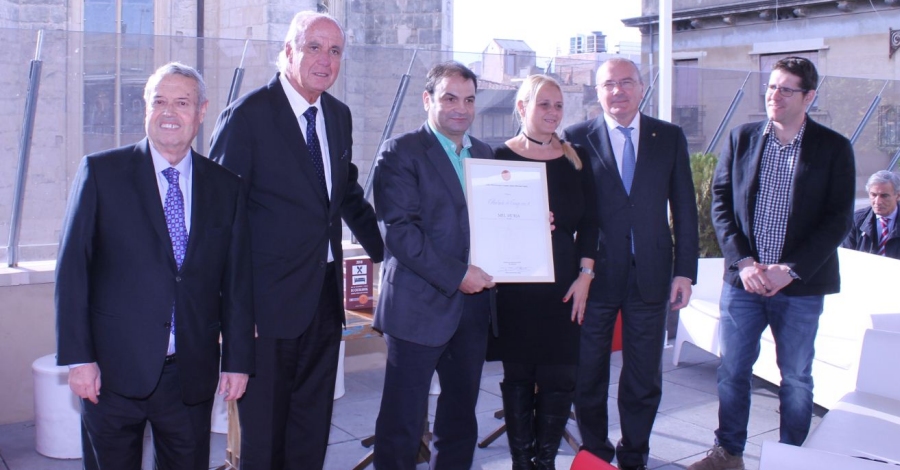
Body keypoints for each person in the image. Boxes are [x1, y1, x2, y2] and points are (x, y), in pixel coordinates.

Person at [208, 11, 384, 470]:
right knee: (265, 440)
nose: (325, 59)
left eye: (335, 50)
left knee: (311, 429)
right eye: (314, 47)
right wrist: (232, 313)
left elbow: (345, 193)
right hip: (264, 309)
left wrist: (393, 252)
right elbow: (218, 219)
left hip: (324, 301)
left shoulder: (338, 116)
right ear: (288, 51)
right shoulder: (247, 116)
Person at [56, 62, 254, 470]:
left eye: (182, 102)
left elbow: (236, 283)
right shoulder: (101, 173)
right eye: (159, 101)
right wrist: (79, 360)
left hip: (189, 377)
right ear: (145, 108)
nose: (169, 112)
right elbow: (73, 273)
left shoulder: (225, 187)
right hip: (111, 375)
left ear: (201, 111)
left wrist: (237, 361)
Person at [689, 56, 855, 470]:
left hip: (799, 287)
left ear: (809, 97)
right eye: (771, 86)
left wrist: (789, 270)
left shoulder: (833, 148)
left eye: (786, 89)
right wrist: (743, 262)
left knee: (795, 378)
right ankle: (728, 454)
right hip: (744, 282)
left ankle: (790, 459)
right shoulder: (742, 138)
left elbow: (838, 219)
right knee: (732, 371)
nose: (774, 95)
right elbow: (721, 204)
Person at [561, 57, 699, 470]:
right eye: (608, 84)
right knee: (588, 373)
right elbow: (568, 206)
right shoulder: (576, 137)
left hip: (651, 276)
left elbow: (685, 208)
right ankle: (595, 454)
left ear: (641, 88)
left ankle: (634, 455)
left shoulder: (668, 136)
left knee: (643, 376)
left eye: (626, 82)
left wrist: (685, 271)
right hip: (594, 275)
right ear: (597, 91)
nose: (617, 91)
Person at [371, 61, 494, 469]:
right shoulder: (400, 151)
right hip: (417, 308)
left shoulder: (485, 154)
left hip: (472, 310)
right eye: (450, 98)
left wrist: (529, 224)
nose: (461, 108)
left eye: (469, 100)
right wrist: (458, 275)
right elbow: (400, 232)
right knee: (402, 422)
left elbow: (493, 220)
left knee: (460, 418)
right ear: (427, 100)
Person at [485, 74, 599, 470]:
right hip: (515, 287)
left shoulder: (576, 158)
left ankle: (545, 461)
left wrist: (585, 277)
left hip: (566, 285)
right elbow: (483, 222)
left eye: (558, 105)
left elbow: (592, 224)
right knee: (518, 376)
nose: (553, 112)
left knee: (561, 377)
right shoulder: (498, 157)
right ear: (522, 108)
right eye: (543, 104)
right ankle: (522, 462)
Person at [842, 170, 900, 258]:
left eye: (884, 196)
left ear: (898, 196)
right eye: (873, 195)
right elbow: (847, 256)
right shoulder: (856, 220)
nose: (878, 202)